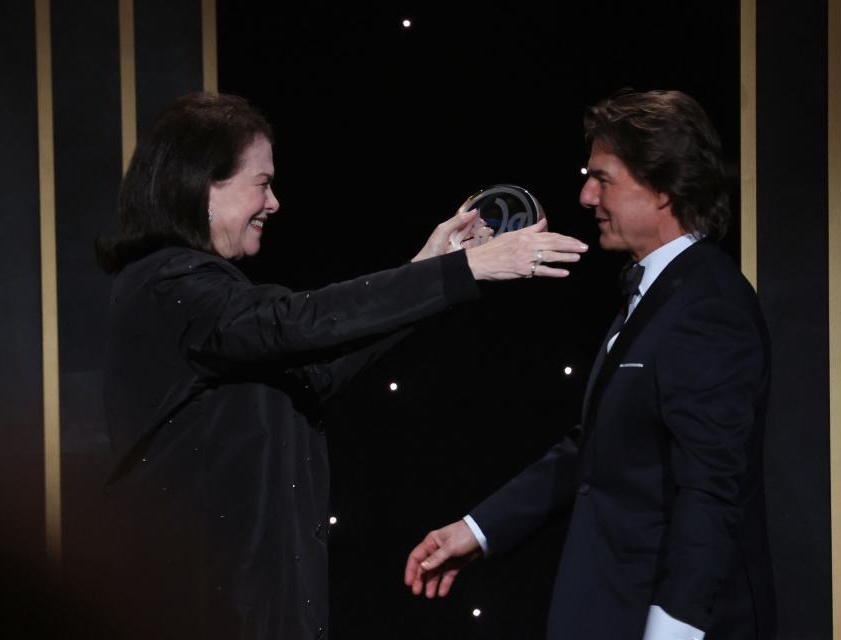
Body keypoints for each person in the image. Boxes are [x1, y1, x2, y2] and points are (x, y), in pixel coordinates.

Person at [95, 92, 588, 640]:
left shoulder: (204, 297)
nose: (275, 202)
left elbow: (310, 371)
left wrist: (432, 268)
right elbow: (292, 322)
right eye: (262, 183)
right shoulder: (167, 285)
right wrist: (464, 269)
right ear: (202, 186)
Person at [404, 90, 776, 640]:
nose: (585, 195)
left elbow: (711, 491)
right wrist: (477, 529)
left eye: (603, 178)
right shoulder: (658, 293)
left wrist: (674, 631)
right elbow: (598, 449)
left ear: (665, 186)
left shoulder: (709, 306)